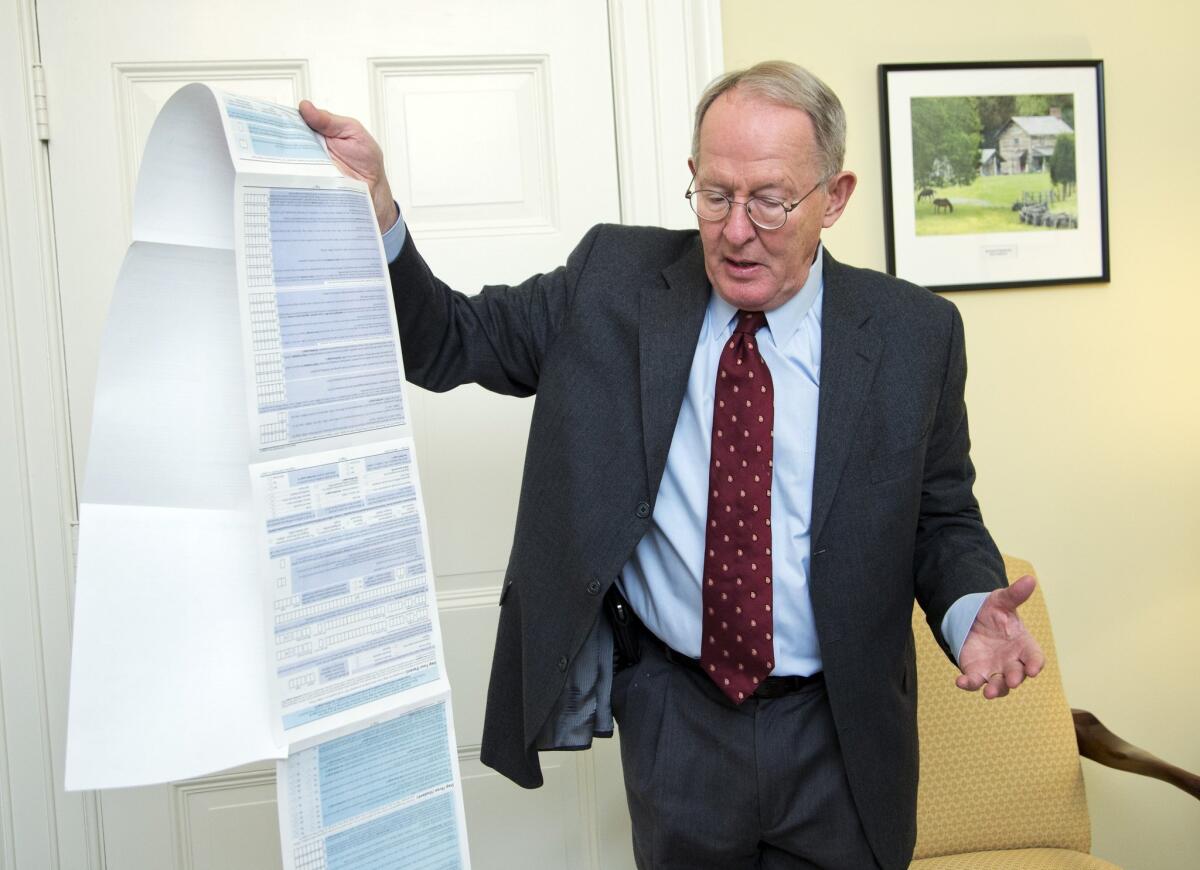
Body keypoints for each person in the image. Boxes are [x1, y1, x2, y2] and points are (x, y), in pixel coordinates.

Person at [300, 60, 1045, 870]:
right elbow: (445, 339)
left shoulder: (914, 335)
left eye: (769, 199)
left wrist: (969, 607)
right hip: (677, 719)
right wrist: (376, 211)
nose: (734, 230)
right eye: (716, 195)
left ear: (833, 197)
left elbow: (941, 513)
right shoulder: (610, 284)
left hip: (842, 727)